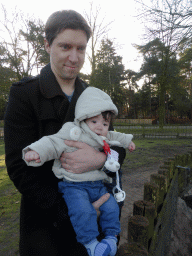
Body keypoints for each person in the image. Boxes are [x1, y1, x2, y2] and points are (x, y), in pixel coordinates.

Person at [4, 10, 127, 256]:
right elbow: (19, 167)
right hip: (45, 227)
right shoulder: (24, 95)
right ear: (47, 45)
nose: (74, 57)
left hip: (96, 216)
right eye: (65, 46)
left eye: (80, 49)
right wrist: (70, 210)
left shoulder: (94, 96)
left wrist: (101, 159)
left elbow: (113, 143)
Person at [22, 87, 135, 256]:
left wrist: (128, 142)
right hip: (74, 186)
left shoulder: (104, 136)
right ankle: (90, 244)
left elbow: (117, 138)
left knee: (112, 206)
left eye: (105, 123)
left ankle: (111, 237)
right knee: (83, 211)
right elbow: (52, 142)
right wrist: (36, 151)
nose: (100, 127)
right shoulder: (72, 132)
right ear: (83, 119)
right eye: (94, 122)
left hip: (98, 185)